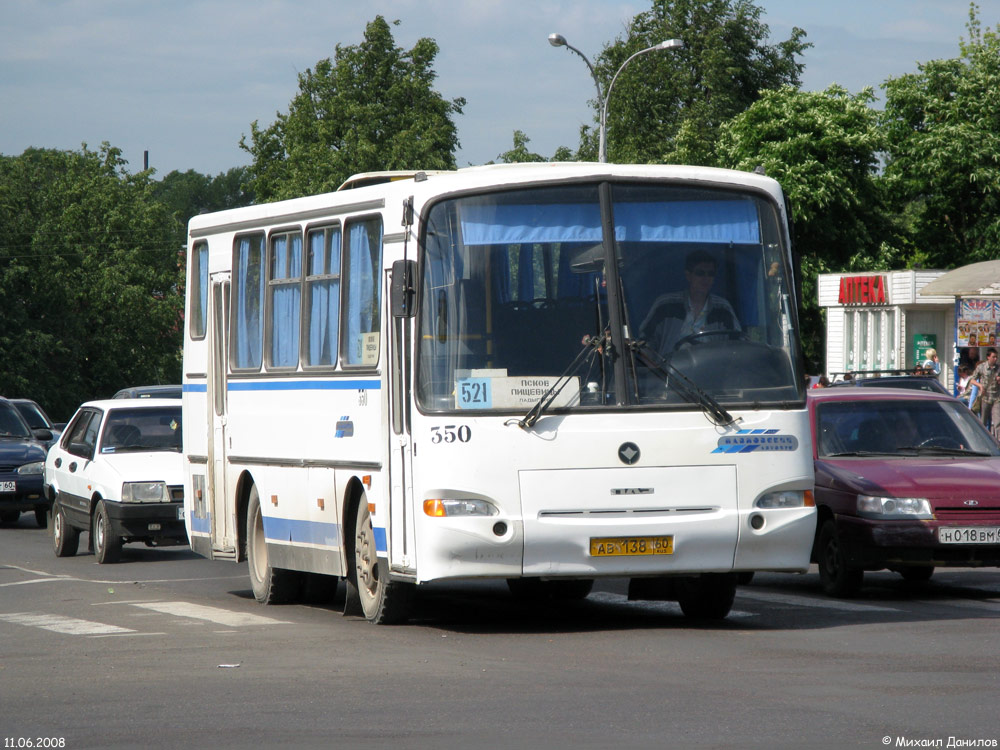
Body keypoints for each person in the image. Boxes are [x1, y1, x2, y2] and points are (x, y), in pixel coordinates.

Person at [640, 250, 740, 355]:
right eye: (700, 273)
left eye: (710, 274)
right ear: (688, 276)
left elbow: (737, 344)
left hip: (711, 370)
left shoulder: (723, 309)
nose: (706, 278)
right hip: (669, 370)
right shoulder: (665, 305)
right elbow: (645, 342)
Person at [969, 347, 1000, 434]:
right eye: (993, 357)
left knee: (997, 422)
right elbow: (972, 380)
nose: (995, 359)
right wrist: (980, 386)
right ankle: (982, 438)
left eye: (996, 357)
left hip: (996, 398)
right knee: (983, 421)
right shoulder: (981, 367)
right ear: (988, 357)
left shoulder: (998, 368)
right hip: (985, 398)